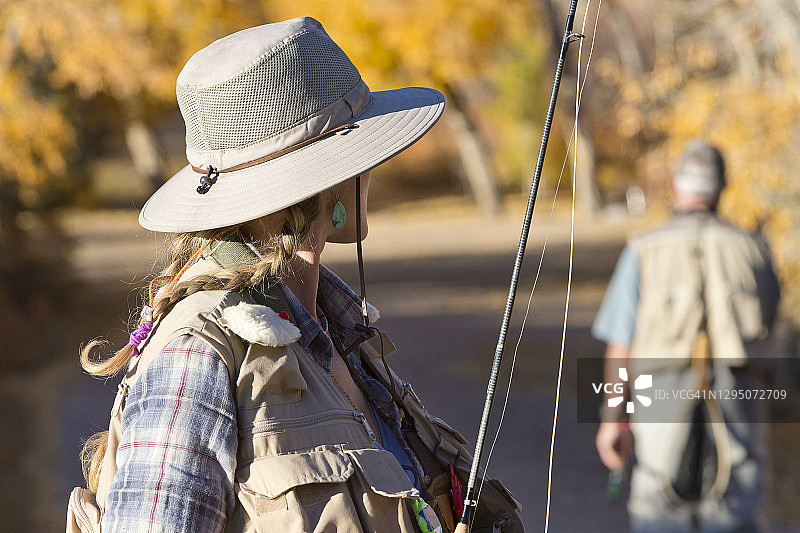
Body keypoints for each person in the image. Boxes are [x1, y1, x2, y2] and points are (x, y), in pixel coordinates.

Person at [66, 17, 523, 533]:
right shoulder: (197, 352)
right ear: (325, 182)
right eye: (359, 154)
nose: (369, 171)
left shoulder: (332, 323)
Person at [592, 139, 781, 532]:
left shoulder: (643, 250)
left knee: (658, 510)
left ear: (678, 186)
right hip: (740, 404)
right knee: (738, 508)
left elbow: (621, 346)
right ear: (722, 187)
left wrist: (612, 419)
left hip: (659, 405)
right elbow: (774, 339)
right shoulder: (756, 251)